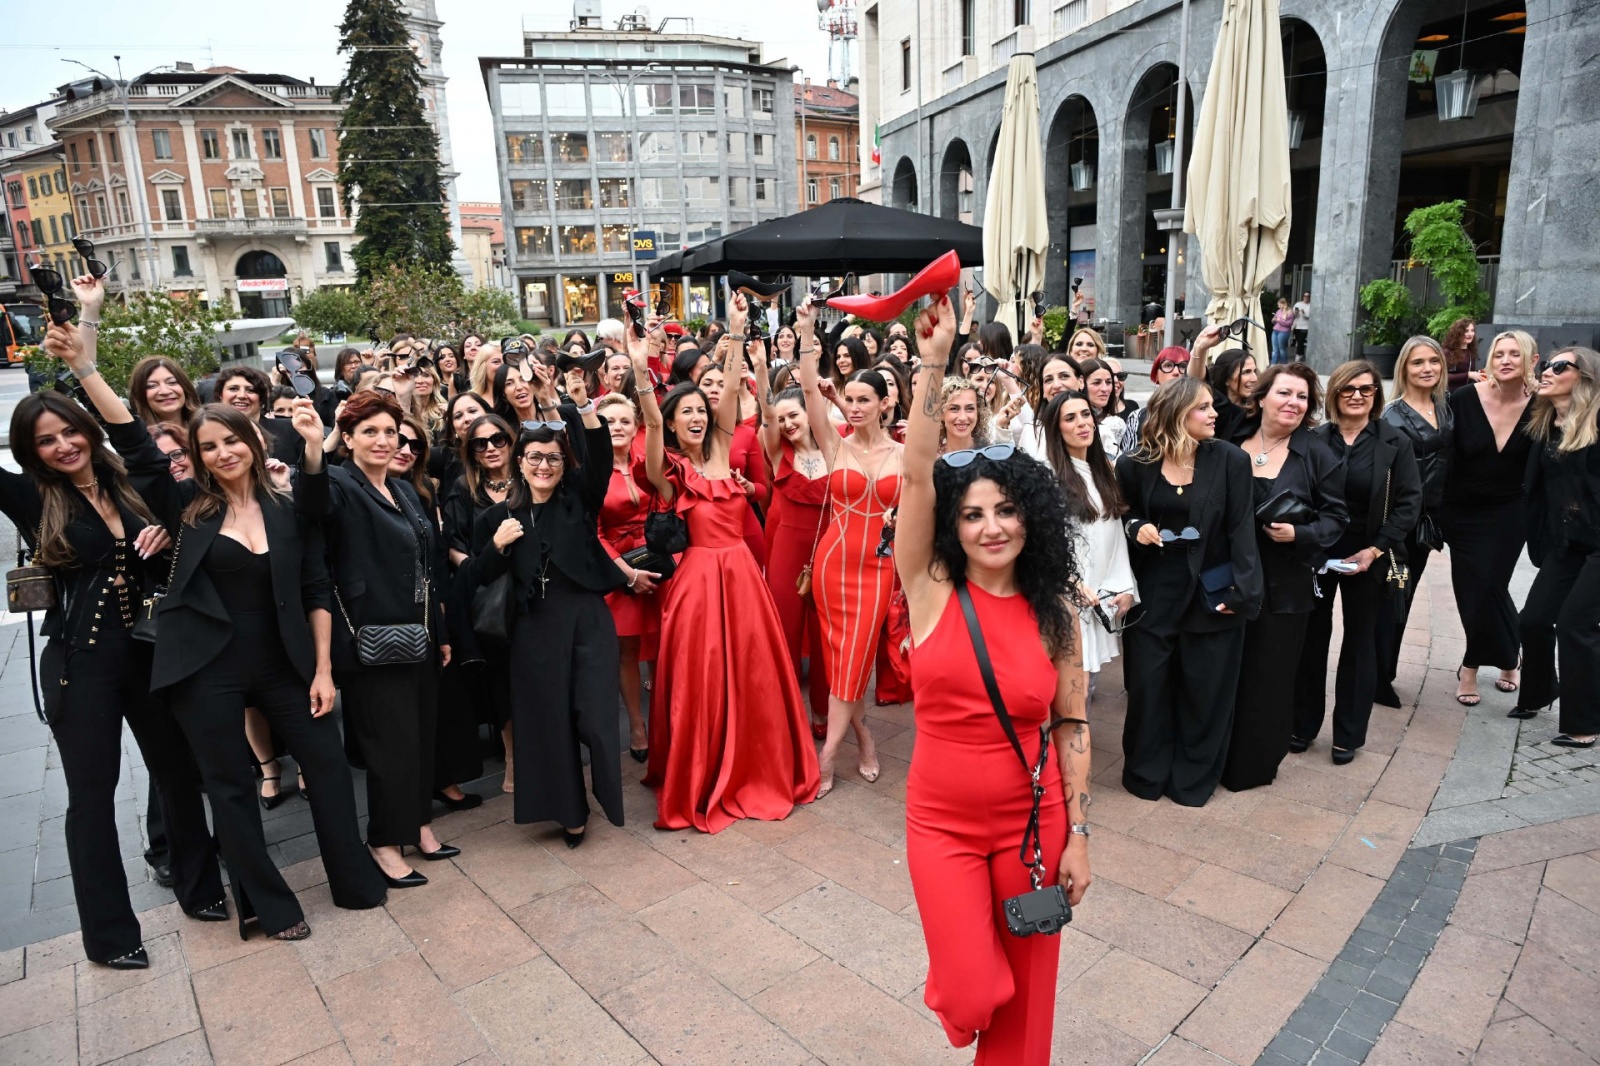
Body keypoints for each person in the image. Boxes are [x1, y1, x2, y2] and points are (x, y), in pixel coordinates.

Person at [897, 293, 1091, 1065]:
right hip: (939, 823)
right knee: (976, 992)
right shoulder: (930, 588)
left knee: (1024, 1014)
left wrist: (1079, 837)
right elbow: (915, 480)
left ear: (1031, 518)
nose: (991, 527)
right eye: (973, 514)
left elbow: (1071, 725)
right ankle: (961, 996)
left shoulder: (1055, 617)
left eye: (1007, 510)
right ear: (955, 525)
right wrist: (935, 367)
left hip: (1033, 824)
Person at [8, 334, 225, 969]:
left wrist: (83, 364)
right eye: (46, 441)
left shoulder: (134, 484)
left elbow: (134, 438)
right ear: (33, 452)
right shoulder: (33, 499)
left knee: (179, 775)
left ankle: (201, 888)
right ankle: (109, 937)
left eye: (69, 432)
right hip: (82, 665)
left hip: (151, 655)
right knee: (92, 798)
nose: (64, 446)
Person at [626, 295, 820, 832]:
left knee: (756, 676)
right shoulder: (670, 473)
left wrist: (735, 331)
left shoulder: (726, 453)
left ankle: (758, 766)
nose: (693, 414)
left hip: (742, 579)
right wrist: (643, 369)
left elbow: (731, 389)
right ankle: (703, 775)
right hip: (696, 585)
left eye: (698, 409)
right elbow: (649, 417)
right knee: (703, 681)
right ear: (670, 422)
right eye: (682, 410)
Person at [298, 390, 457, 887]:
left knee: (421, 737)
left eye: (391, 431)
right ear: (346, 439)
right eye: (370, 431)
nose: (384, 440)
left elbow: (427, 568)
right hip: (371, 640)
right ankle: (385, 841)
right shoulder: (340, 483)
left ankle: (420, 826)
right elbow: (311, 504)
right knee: (389, 747)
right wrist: (310, 448)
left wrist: (442, 631)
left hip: (419, 634)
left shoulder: (404, 488)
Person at [472, 410, 624, 846]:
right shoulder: (497, 517)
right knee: (550, 725)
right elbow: (477, 578)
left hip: (587, 621)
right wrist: (497, 547)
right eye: (535, 457)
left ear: (564, 465)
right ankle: (570, 813)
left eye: (554, 459)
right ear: (518, 461)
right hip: (533, 631)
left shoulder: (578, 500)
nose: (544, 466)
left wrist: (584, 407)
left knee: (594, 718)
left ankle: (607, 796)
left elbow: (598, 458)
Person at [1115, 377, 1261, 805]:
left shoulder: (1230, 460)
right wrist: (1136, 526)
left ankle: (1191, 780)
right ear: (1176, 413)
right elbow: (1122, 517)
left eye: (1212, 406)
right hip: (1154, 592)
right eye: (1202, 407)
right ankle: (1146, 773)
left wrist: (1242, 593)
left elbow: (1242, 530)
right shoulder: (1134, 464)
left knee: (1205, 689)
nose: (1214, 413)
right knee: (1148, 686)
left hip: (1211, 592)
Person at [1220, 365, 1347, 791]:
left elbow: (1337, 519)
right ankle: (1211, 757)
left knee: (1268, 677)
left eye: (1303, 397)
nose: (1294, 403)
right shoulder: (1231, 438)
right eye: (1285, 393)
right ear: (1260, 398)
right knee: (1223, 671)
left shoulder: (1317, 454)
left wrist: (1301, 533)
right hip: (1228, 578)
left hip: (1285, 585)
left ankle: (1251, 766)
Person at [798, 302, 902, 798]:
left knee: (855, 659)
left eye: (866, 399)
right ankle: (861, 736)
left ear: (884, 402)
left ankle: (827, 756)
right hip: (831, 565)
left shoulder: (904, 454)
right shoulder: (835, 443)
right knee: (843, 662)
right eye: (851, 399)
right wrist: (805, 333)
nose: (857, 406)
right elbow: (806, 391)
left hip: (877, 569)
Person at [1293, 362, 1422, 764]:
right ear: (1334, 394)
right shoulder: (1315, 439)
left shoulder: (1394, 442)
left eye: (1366, 390)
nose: (1357, 396)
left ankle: (1348, 734)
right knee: (1311, 639)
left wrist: (1376, 550)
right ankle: (1301, 724)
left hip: (1369, 552)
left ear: (1376, 396)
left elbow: (1408, 503)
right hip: (1317, 551)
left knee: (1360, 642)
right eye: (1348, 389)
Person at [391, 415, 482, 812]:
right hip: (388, 613)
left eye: (413, 445)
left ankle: (443, 779)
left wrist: (441, 603)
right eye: (398, 441)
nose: (405, 450)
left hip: (433, 606)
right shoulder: (353, 486)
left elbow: (436, 554)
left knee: (442, 700)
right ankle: (415, 793)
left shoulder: (423, 489)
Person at [1442, 330, 1535, 705]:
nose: (1506, 360)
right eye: (1499, 353)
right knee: (1472, 589)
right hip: (1461, 511)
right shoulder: (1464, 398)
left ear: (1531, 360)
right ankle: (1507, 656)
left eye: (1515, 354)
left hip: (1510, 512)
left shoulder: (1543, 406)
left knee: (1491, 585)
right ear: (1490, 359)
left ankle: (1471, 665)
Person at [1514, 347, 1600, 745]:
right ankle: (1538, 692)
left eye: (1559, 366)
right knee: (1532, 620)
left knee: (1575, 625)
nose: (1547, 370)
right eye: (1546, 364)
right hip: (1568, 544)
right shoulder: (1546, 425)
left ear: (1584, 377)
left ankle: (1584, 724)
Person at [1376, 337, 1454, 706]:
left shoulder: (1446, 406)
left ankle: (1383, 672)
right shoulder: (1392, 415)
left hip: (1428, 524)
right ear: (1404, 368)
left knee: (1402, 600)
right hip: (1398, 526)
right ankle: (1379, 677)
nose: (1427, 368)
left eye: (1434, 361)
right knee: (1394, 597)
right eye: (1417, 362)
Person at [1040, 391, 1137, 686]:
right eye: (1070, 418)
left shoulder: (1105, 473)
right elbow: (1043, 544)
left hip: (1099, 597)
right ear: (1056, 429)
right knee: (1069, 699)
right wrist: (1070, 583)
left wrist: (1125, 587)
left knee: (1084, 695)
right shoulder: (1047, 477)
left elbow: (1115, 535)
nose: (1082, 423)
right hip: (1065, 601)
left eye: (1086, 414)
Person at [444, 411, 518, 789]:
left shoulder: (529, 478)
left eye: (497, 439)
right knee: (501, 681)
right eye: (480, 443)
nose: (490, 447)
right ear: (471, 451)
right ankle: (511, 759)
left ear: (510, 440)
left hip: (529, 591)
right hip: (487, 595)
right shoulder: (462, 488)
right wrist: (479, 566)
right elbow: (454, 544)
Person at [757, 380, 833, 735]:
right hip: (787, 549)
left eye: (794, 415)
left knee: (824, 636)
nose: (787, 424)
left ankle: (821, 711)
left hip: (829, 548)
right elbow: (767, 418)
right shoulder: (776, 450)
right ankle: (781, 713)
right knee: (785, 631)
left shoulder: (836, 447)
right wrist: (759, 368)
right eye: (781, 418)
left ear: (810, 413)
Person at [594, 393, 662, 760]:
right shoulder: (591, 473)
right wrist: (628, 574)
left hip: (661, 561)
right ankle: (637, 725)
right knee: (629, 651)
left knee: (664, 642)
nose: (616, 428)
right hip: (620, 568)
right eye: (608, 422)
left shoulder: (647, 459)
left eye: (623, 421)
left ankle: (667, 719)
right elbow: (595, 534)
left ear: (635, 425)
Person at [1002, 348, 1080, 462]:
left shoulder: (1099, 430)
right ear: (1043, 389)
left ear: (1081, 381)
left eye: (1064, 376)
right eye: (1048, 380)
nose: (1057, 385)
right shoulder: (1032, 431)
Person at [216, 365, 304, 465]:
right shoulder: (208, 433)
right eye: (233, 389)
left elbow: (312, 473)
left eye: (250, 390)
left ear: (262, 398)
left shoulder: (290, 429)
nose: (241, 396)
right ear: (220, 395)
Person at [1120, 346, 1191, 453]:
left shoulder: (1203, 414)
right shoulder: (1137, 417)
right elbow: (1128, 461)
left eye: (1183, 366)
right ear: (1156, 374)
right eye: (1168, 365)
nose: (1176, 372)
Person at [128, 356, 201, 427]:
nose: (165, 391)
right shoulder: (137, 437)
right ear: (140, 394)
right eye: (152, 386)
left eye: (172, 382)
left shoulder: (207, 427)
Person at [1078, 358, 1128, 460]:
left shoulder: (1114, 422)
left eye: (1108, 382)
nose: (1105, 389)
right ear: (1081, 383)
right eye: (1096, 383)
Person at [939, 376, 992, 453]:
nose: (962, 417)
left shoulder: (990, 455)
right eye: (954, 409)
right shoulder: (929, 459)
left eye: (970, 409)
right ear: (941, 413)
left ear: (978, 412)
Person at [1442, 317, 1479, 393]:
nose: (1470, 334)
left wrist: (1479, 374)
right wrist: (1468, 375)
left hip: (1465, 395)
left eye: (1472, 331)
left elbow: (1469, 373)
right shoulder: (1447, 352)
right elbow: (1442, 376)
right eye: (1466, 331)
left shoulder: (1471, 351)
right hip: (1449, 396)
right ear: (1458, 333)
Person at [1270, 297, 1295, 365]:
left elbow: (1289, 324)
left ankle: (1283, 363)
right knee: (1275, 349)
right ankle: (1273, 364)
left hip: (1284, 331)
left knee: (1281, 349)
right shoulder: (1278, 311)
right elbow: (1275, 320)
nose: (1279, 306)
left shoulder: (1290, 312)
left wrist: (1279, 320)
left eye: (1280, 305)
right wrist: (1274, 319)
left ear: (1284, 304)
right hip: (1275, 330)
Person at [1291, 292, 1311, 360]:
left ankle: (1298, 355)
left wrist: (1304, 313)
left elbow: (1310, 316)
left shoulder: (1310, 305)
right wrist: (1296, 312)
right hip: (1297, 325)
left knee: (1301, 341)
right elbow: (1293, 313)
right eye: (1305, 296)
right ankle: (1301, 354)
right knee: (1298, 340)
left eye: (1307, 296)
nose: (1306, 297)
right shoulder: (1298, 304)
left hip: (1305, 326)